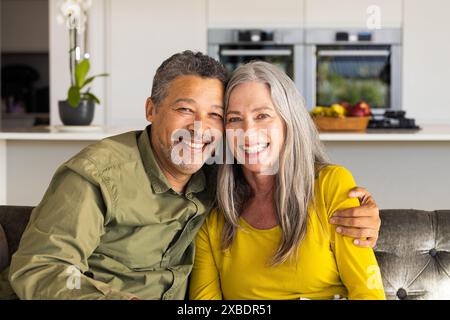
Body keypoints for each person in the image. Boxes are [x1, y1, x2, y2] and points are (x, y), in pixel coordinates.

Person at [3, 51, 380, 300]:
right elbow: (41, 268)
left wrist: (364, 216)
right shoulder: (99, 174)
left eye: (216, 115)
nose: (199, 129)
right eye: (185, 109)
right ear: (152, 109)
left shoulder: (218, 182)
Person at [189, 61, 385, 300]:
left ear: (287, 122)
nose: (248, 132)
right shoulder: (213, 211)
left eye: (262, 115)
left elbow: (368, 293)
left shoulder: (330, 185)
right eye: (234, 119)